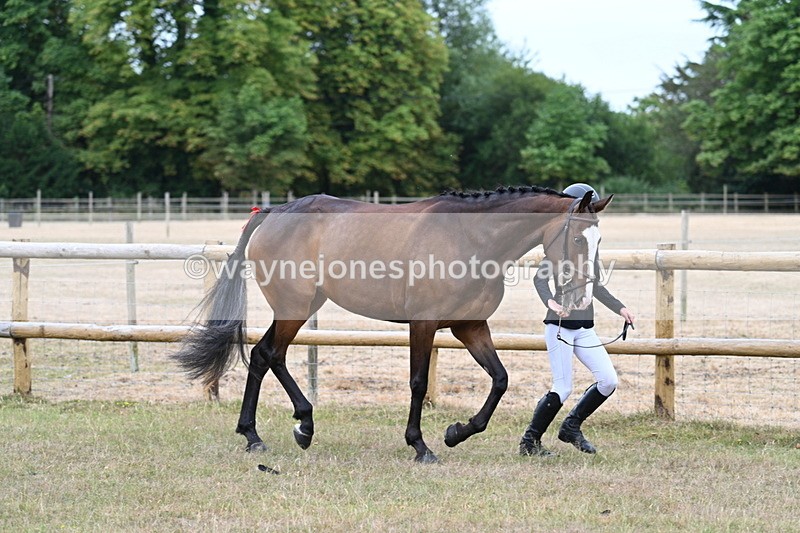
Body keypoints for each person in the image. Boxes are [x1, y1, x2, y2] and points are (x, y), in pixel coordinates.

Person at [519, 183, 635, 456]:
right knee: (563, 387)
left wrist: (621, 309)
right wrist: (550, 301)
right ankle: (529, 441)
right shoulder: (558, 251)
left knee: (608, 381)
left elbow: (597, 287)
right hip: (559, 327)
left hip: (584, 328)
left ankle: (571, 426)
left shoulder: (586, 253)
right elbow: (540, 279)